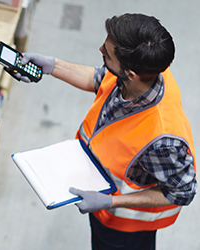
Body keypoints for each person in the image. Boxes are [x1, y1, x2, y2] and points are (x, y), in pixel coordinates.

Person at [16, 13, 197, 250]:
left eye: (107, 52)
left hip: (124, 229)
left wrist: (109, 201)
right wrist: (52, 66)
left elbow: (183, 192)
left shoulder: (162, 140)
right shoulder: (147, 73)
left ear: (131, 74)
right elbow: (102, 79)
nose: (100, 47)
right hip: (98, 189)